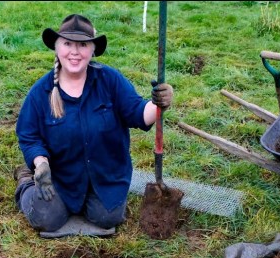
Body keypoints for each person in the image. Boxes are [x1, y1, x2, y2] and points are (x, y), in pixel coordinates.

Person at [14, 14, 174, 233]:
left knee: (107, 217)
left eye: (82, 45)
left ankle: (95, 201)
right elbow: (29, 135)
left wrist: (159, 105)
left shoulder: (110, 81)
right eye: (67, 43)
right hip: (61, 177)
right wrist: (40, 163)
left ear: (92, 50)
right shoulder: (41, 92)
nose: (74, 52)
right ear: (57, 47)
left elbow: (137, 112)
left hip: (105, 176)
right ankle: (25, 181)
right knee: (46, 218)